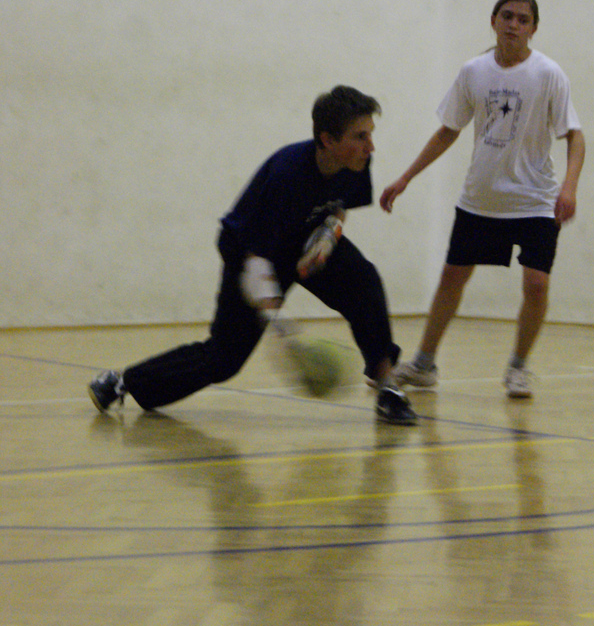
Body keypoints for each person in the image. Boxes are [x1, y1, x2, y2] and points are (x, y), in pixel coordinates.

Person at [89, 86, 417, 425]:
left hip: (304, 241)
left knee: (363, 279)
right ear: (328, 139)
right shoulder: (286, 175)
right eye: (360, 136)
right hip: (251, 253)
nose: (370, 146)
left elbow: (340, 205)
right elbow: (255, 261)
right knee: (223, 361)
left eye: (370, 135)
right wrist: (279, 323)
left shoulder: (356, 161)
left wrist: (330, 234)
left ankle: (387, 388)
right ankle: (121, 382)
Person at [380, 0, 585, 399]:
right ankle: (423, 365)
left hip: (535, 201)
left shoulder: (549, 74)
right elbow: (448, 131)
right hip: (481, 199)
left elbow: (575, 136)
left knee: (536, 285)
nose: (514, 24)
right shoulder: (473, 71)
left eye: (523, 19)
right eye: (507, 16)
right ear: (493, 21)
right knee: (451, 278)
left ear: (534, 28)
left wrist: (570, 187)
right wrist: (405, 178)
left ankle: (518, 367)